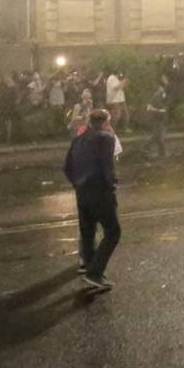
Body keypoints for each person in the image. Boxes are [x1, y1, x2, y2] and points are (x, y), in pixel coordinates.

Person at [64, 108, 120, 292]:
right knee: (113, 232)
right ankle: (95, 272)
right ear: (106, 122)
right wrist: (112, 185)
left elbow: (67, 167)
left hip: (82, 192)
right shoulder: (106, 138)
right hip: (100, 192)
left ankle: (89, 266)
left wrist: (77, 184)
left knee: (87, 231)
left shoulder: (78, 140)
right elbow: (107, 166)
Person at [145, 82, 169, 159]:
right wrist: (159, 111)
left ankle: (161, 152)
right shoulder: (157, 95)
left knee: (158, 136)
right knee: (158, 136)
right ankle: (161, 152)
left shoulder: (162, 95)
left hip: (160, 118)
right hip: (156, 118)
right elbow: (149, 108)